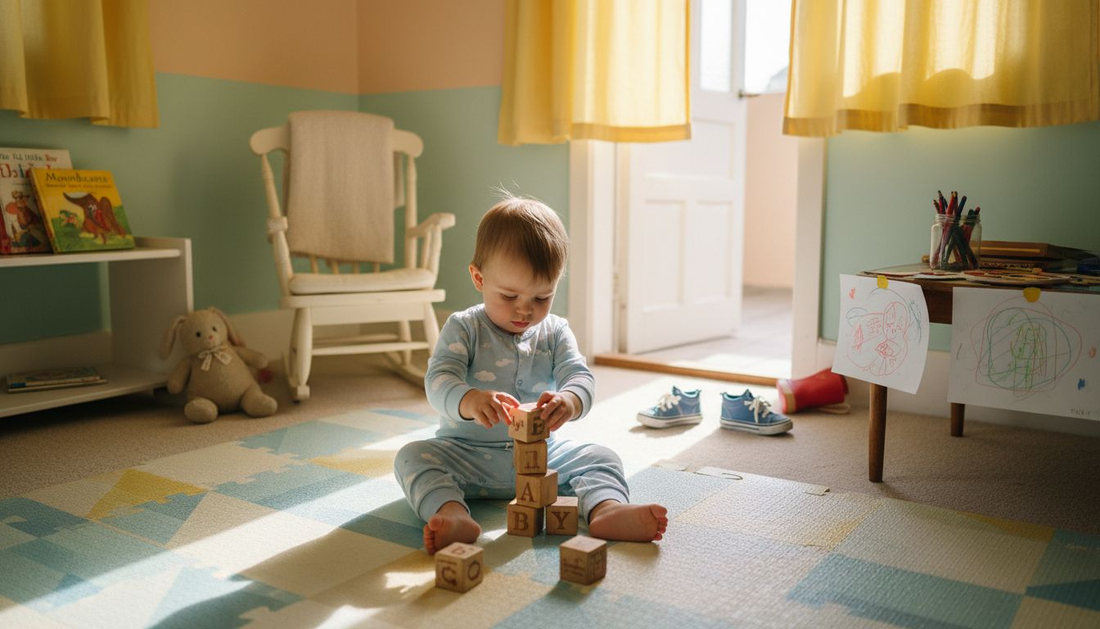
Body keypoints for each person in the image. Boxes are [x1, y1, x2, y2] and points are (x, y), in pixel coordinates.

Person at [394, 193, 668, 554]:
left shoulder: (555, 331)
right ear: (478, 278)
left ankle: (607, 508)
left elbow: (580, 377)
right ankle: (453, 514)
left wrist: (569, 401)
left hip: (545, 458)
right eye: (509, 296)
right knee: (411, 457)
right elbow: (438, 380)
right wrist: (469, 399)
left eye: (542, 298)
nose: (525, 311)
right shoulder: (464, 327)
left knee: (602, 456)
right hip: (466, 453)